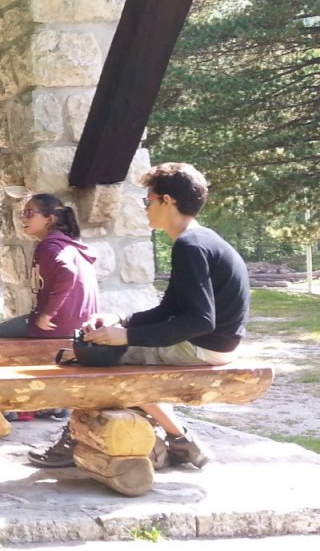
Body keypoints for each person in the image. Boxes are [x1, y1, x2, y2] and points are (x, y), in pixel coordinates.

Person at [29, 163, 248, 470]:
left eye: (148, 200)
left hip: (203, 347)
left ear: (167, 201)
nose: (145, 208)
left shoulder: (189, 246)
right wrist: (120, 320)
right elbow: (169, 310)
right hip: (216, 344)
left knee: (96, 357)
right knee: (110, 349)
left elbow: (200, 320)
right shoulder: (201, 240)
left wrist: (126, 338)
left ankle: (76, 440)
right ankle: (181, 440)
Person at [0, 194, 98, 339]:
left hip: (56, 325)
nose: (23, 218)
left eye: (29, 213)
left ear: (49, 219)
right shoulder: (69, 245)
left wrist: (48, 314)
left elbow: (68, 272)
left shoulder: (50, 246)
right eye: (23, 213)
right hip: (82, 325)